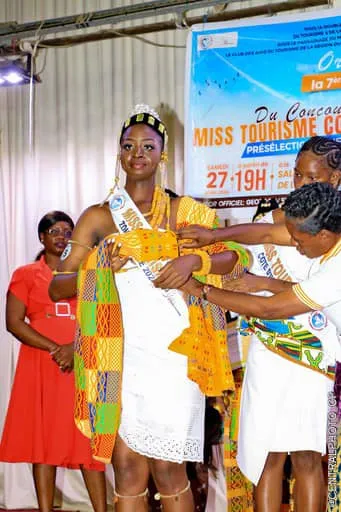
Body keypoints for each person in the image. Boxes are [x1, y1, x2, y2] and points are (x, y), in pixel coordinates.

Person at [48, 105, 250, 512]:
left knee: (170, 469)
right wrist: (98, 264)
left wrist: (194, 261)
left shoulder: (184, 213)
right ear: (119, 154)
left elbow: (234, 258)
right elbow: (58, 286)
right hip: (118, 354)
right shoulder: (98, 218)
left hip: (175, 356)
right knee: (125, 467)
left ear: (163, 154)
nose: (137, 153)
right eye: (128, 146)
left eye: (147, 146)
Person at [175, 136, 341, 511]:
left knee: (307, 454)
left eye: (311, 177)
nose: (299, 183)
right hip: (271, 350)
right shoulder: (298, 221)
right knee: (266, 450)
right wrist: (212, 236)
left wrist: (201, 290)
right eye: (296, 174)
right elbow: (267, 235)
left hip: (317, 356)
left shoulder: (329, 226)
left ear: (334, 179)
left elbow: (275, 307)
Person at [0, 211, 107, 512]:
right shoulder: (25, 274)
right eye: (54, 230)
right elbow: (14, 322)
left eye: (67, 231)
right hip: (41, 366)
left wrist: (75, 348)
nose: (61, 236)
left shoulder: (88, 271)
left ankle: (101, 509)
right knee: (42, 442)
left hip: (83, 364)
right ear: (41, 237)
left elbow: (102, 318)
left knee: (88, 441)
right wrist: (56, 349)